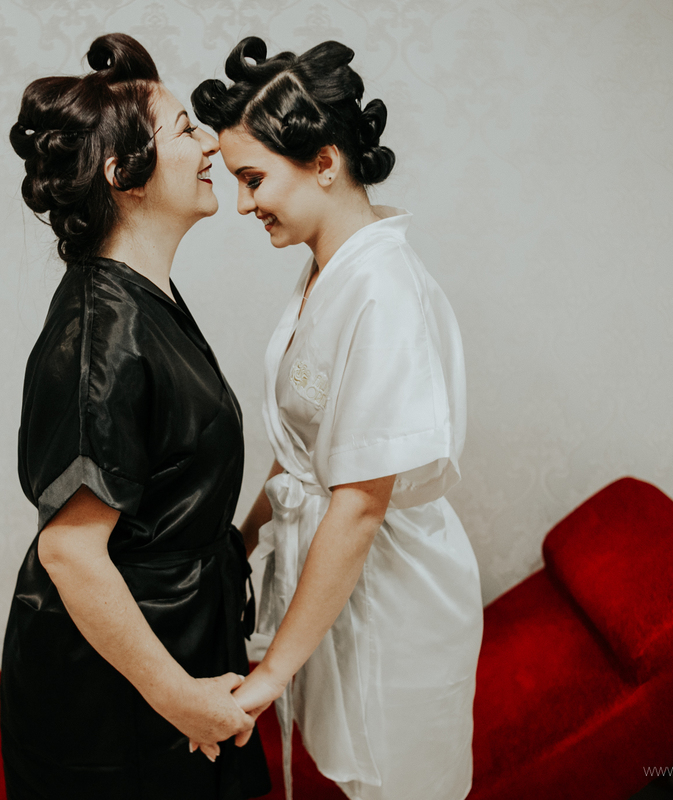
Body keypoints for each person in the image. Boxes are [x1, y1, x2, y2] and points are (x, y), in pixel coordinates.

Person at [192, 37, 484, 800]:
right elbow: (302, 453)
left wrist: (269, 676)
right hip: (336, 576)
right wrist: (241, 544)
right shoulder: (329, 269)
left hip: (394, 593)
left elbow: (358, 504)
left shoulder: (384, 292)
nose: (243, 204)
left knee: (396, 781)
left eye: (254, 179)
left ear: (324, 162)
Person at [0, 33, 271, 800]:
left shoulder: (144, 297)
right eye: (186, 130)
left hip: (179, 641)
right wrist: (178, 696)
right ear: (123, 174)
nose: (211, 143)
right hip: (113, 700)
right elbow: (70, 552)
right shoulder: (102, 334)